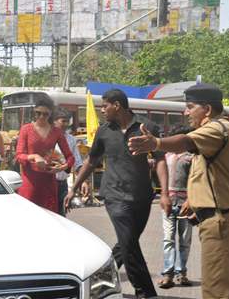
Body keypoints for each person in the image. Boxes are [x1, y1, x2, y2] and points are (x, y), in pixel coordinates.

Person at [128, 83, 229, 299]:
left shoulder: (216, 128)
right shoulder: (218, 130)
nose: (185, 112)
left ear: (208, 109)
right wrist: (196, 201)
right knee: (222, 288)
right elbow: (207, 174)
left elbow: (184, 141)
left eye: (190, 107)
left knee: (220, 291)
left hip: (222, 221)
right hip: (221, 219)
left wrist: (156, 142)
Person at [66, 89, 169, 299]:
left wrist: (165, 192)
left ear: (117, 106)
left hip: (142, 197)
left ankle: (99, 280)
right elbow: (91, 161)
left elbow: (160, 160)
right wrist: (74, 187)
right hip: (114, 195)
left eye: (105, 106)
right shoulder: (104, 131)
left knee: (126, 243)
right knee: (129, 241)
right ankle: (146, 292)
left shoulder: (146, 127)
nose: (102, 110)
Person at [16, 98, 75, 213]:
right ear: (34, 112)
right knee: (28, 216)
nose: (41, 117)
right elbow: (19, 155)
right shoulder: (26, 129)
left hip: (49, 182)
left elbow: (70, 157)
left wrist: (62, 167)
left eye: (45, 114)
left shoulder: (56, 132)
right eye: (38, 113)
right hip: (29, 182)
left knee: (50, 219)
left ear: (50, 115)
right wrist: (33, 156)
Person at [157, 125, 193, 289]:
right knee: (168, 239)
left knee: (185, 240)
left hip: (186, 203)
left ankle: (181, 273)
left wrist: (191, 200)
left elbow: (196, 180)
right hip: (169, 203)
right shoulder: (165, 157)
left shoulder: (191, 158)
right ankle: (168, 274)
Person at [53, 108, 89, 216]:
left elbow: (77, 162)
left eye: (67, 121)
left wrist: (83, 181)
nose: (66, 124)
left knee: (61, 217)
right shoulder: (46, 137)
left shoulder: (71, 139)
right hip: (47, 184)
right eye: (63, 121)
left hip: (62, 185)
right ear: (54, 121)